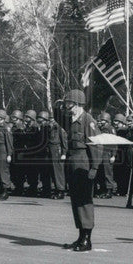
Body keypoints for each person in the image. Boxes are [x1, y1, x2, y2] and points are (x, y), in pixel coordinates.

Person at [57, 89, 101, 252]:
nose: (66, 106)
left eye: (68, 103)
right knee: (76, 199)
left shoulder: (88, 120)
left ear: (76, 104)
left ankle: (87, 239)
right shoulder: (72, 119)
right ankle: (81, 236)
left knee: (84, 200)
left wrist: (94, 167)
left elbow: (96, 145)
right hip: (73, 161)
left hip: (83, 162)